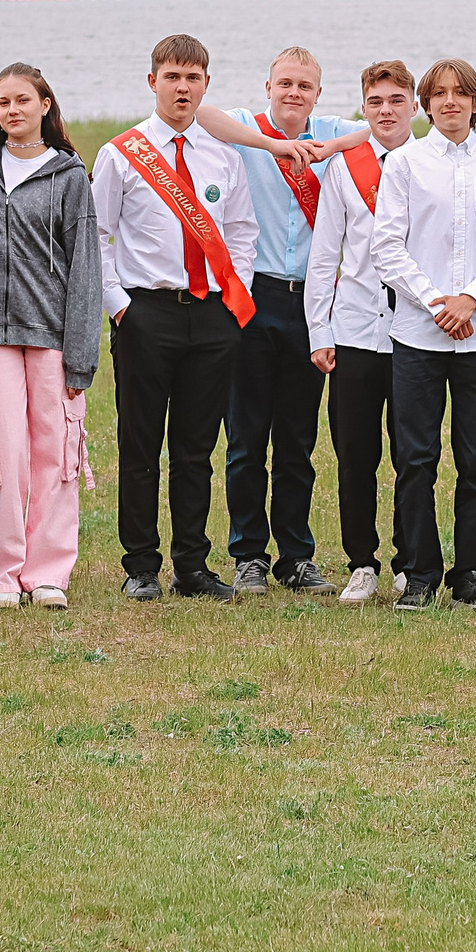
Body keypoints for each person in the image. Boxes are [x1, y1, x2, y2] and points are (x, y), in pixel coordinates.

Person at [95, 34, 260, 602]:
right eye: (172, 77)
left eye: (193, 78)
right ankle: (141, 566)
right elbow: (98, 237)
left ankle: (193, 566)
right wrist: (121, 308)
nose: (182, 87)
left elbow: (241, 234)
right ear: (152, 82)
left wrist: (234, 306)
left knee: (196, 449)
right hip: (147, 315)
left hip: (212, 319)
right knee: (140, 447)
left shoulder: (224, 156)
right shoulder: (121, 153)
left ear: (207, 85)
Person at [369, 57, 476, 610]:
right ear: (425, 104)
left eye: (461, 93)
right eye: (439, 94)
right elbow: (387, 247)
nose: (450, 102)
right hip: (418, 334)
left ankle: (469, 575)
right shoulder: (406, 164)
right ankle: (419, 574)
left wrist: (471, 300)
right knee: (415, 458)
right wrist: (438, 303)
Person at [208, 47, 361, 595]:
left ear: (319, 93)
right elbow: (202, 112)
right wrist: (275, 145)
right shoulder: (249, 128)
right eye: (285, 84)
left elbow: (382, 125)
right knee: (246, 437)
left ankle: (296, 555)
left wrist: (328, 148)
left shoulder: (329, 130)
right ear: (267, 86)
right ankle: (248, 553)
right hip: (256, 295)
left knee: (297, 438)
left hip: (313, 302)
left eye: (305, 86)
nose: (294, 94)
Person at [0, 64, 103, 610]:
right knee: (2, 455)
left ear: (46, 104)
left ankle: (47, 573)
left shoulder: (69, 174)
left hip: (51, 336)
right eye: (3, 102)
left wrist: (81, 356)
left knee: (57, 452)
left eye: (23, 99)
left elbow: (86, 268)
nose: (13, 110)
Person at [305, 60, 417, 602]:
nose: (386, 111)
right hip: (354, 328)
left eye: (397, 100)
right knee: (355, 453)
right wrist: (318, 331)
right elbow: (324, 256)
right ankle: (362, 561)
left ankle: (408, 558)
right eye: (375, 102)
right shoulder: (345, 169)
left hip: (418, 329)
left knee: (411, 451)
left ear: (413, 106)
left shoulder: (430, 162)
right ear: (363, 109)